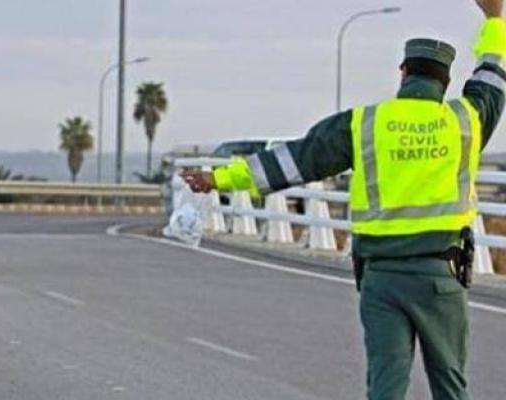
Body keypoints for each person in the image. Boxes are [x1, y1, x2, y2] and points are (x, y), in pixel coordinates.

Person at [182, 1, 505, 399]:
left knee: (385, 387)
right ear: (445, 82)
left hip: (381, 278)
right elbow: (491, 76)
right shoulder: (465, 122)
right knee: (450, 386)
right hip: (441, 276)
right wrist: (494, 19)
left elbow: (295, 160)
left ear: (403, 74)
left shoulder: (364, 124)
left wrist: (219, 178)